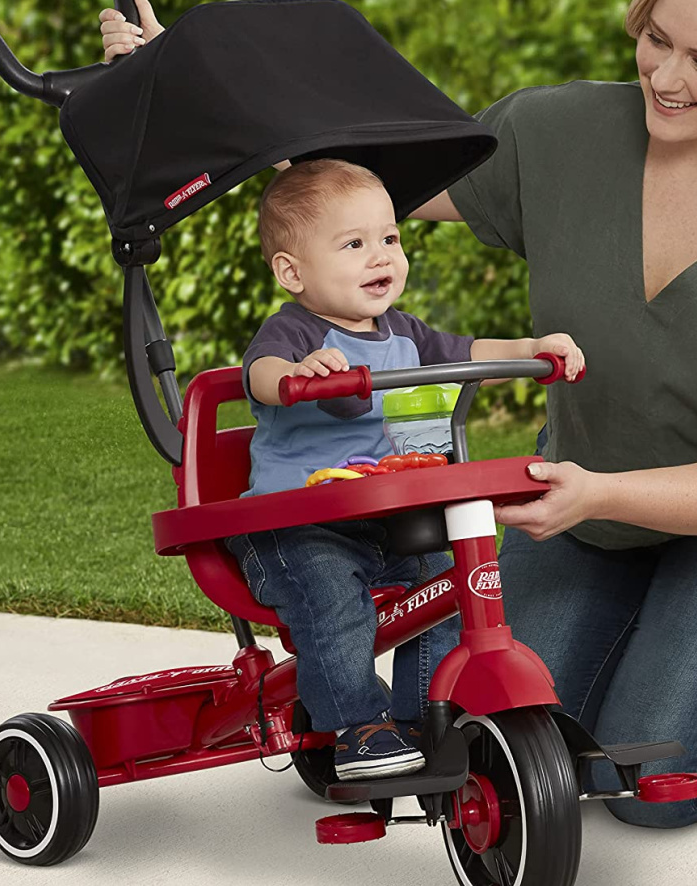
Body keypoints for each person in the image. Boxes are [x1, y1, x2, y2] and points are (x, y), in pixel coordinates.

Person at [98, 0, 697, 822]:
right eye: (656, 40)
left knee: (652, 784)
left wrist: (599, 493)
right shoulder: (561, 130)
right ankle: (679, 648)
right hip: (585, 514)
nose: (663, 76)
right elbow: (346, 186)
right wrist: (185, 82)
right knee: (486, 739)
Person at [225, 158, 584, 780]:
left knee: (449, 587)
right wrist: (294, 379)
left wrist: (530, 350)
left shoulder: (405, 335)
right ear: (292, 271)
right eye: (353, 243)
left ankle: (423, 720)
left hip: (388, 520)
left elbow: (468, 353)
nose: (380, 256)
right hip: (298, 530)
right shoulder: (296, 333)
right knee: (334, 604)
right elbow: (258, 373)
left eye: (390, 238)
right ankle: (357, 726)